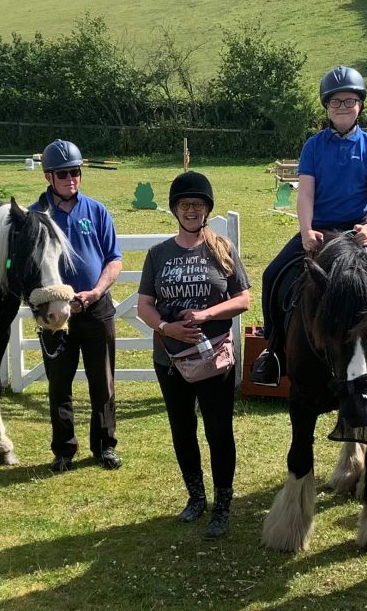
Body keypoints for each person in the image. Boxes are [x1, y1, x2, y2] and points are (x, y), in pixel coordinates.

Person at [251, 66, 367, 386]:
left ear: (360, 105)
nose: (342, 107)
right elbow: (305, 194)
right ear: (326, 106)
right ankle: (273, 351)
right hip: (321, 228)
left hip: (361, 227)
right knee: (272, 274)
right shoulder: (313, 146)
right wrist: (305, 230)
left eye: (349, 100)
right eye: (336, 102)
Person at [138, 171, 250, 539]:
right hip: (169, 358)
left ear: (206, 209)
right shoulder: (158, 255)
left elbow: (243, 299)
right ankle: (195, 497)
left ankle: (222, 504)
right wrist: (166, 328)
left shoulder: (223, 250)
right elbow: (145, 305)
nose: (190, 210)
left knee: (219, 431)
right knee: (182, 429)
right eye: (184, 204)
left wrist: (205, 315)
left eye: (197, 205)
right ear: (175, 209)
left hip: (213, 356)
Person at [30, 139, 123, 472]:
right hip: (56, 313)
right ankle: (64, 450)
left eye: (76, 172)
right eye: (63, 174)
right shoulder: (35, 216)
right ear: (49, 177)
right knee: (59, 383)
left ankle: (105, 445)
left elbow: (114, 259)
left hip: (96, 307)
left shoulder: (96, 211)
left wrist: (96, 292)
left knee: (103, 381)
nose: (71, 178)